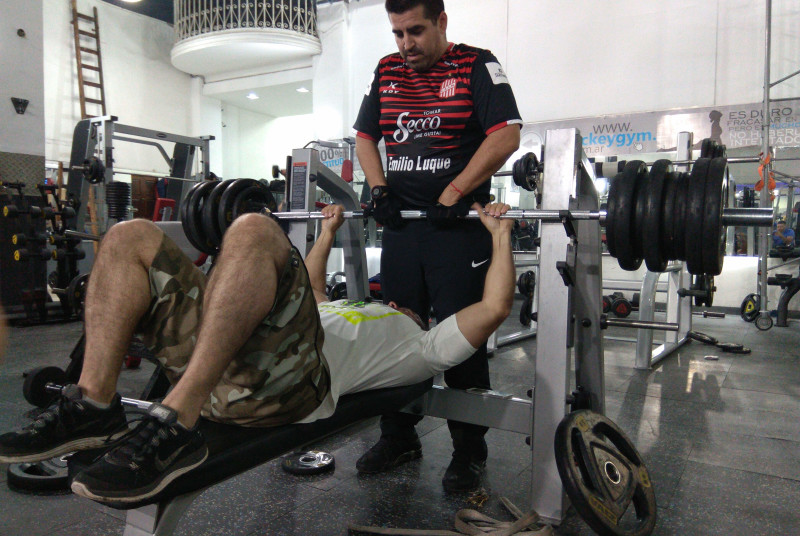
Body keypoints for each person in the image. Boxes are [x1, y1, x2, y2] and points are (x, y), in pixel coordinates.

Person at [0, 202, 514, 503]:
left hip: (288, 388)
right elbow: (312, 286)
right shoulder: (343, 307)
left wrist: (500, 236)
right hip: (222, 361)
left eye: (409, 308)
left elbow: (493, 307)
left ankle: (177, 421)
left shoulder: (423, 346)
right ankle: (92, 404)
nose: (400, 305)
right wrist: (327, 232)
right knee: (128, 236)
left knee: (254, 228)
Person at [352, 0, 522, 491]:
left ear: (441, 21)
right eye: (398, 33)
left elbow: (507, 135)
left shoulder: (476, 65)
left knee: (461, 340)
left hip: (457, 228)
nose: (406, 44)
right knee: (397, 333)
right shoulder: (387, 70)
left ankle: (469, 449)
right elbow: (364, 137)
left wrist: (456, 190)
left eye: (416, 31)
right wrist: (379, 188)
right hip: (403, 229)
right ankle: (399, 436)